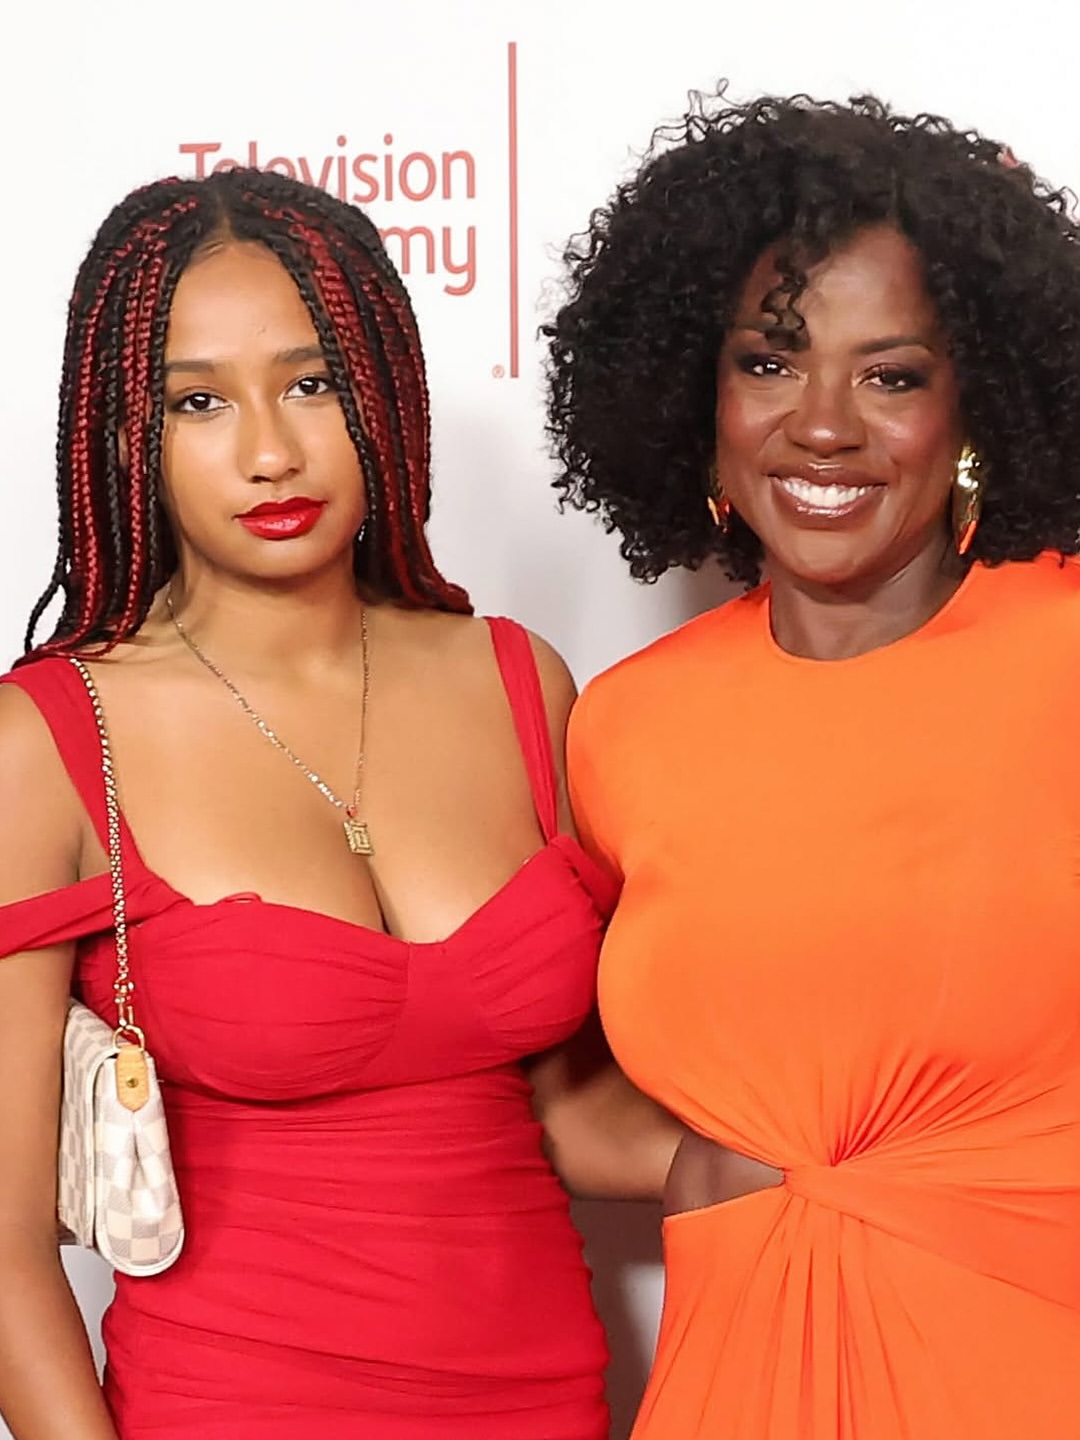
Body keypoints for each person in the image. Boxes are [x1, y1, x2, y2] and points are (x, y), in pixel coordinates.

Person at [0, 167, 677, 1440]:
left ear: (383, 393)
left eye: (312, 384)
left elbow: (569, 1113)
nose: (270, 452)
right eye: (199, 401)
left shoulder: (518, 681)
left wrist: (853, 1153)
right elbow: (4, 1256)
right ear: (129, 436)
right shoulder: (46, 739)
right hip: (231, 1408)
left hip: (542, 1402)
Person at [546, 91, 1080, 1439]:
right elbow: (548, 1091)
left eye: (890, 375)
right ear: (701, 395)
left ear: (972, 404)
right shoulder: (630, 725)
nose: (825, 425)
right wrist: (714, 1164)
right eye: (770, 364)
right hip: (743, 1381)